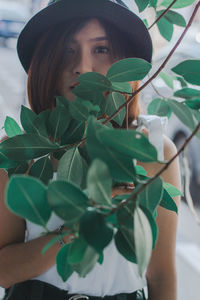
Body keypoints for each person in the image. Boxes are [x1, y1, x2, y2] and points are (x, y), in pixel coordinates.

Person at [0, 0, 181, 299]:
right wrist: (78, 226)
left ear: (125, 61)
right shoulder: (20, 152)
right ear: (47, 60)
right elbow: (3, 271)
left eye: (101, 49)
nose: (82, 67)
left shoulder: (152, 151)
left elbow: (161, 276)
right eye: (68, 50)